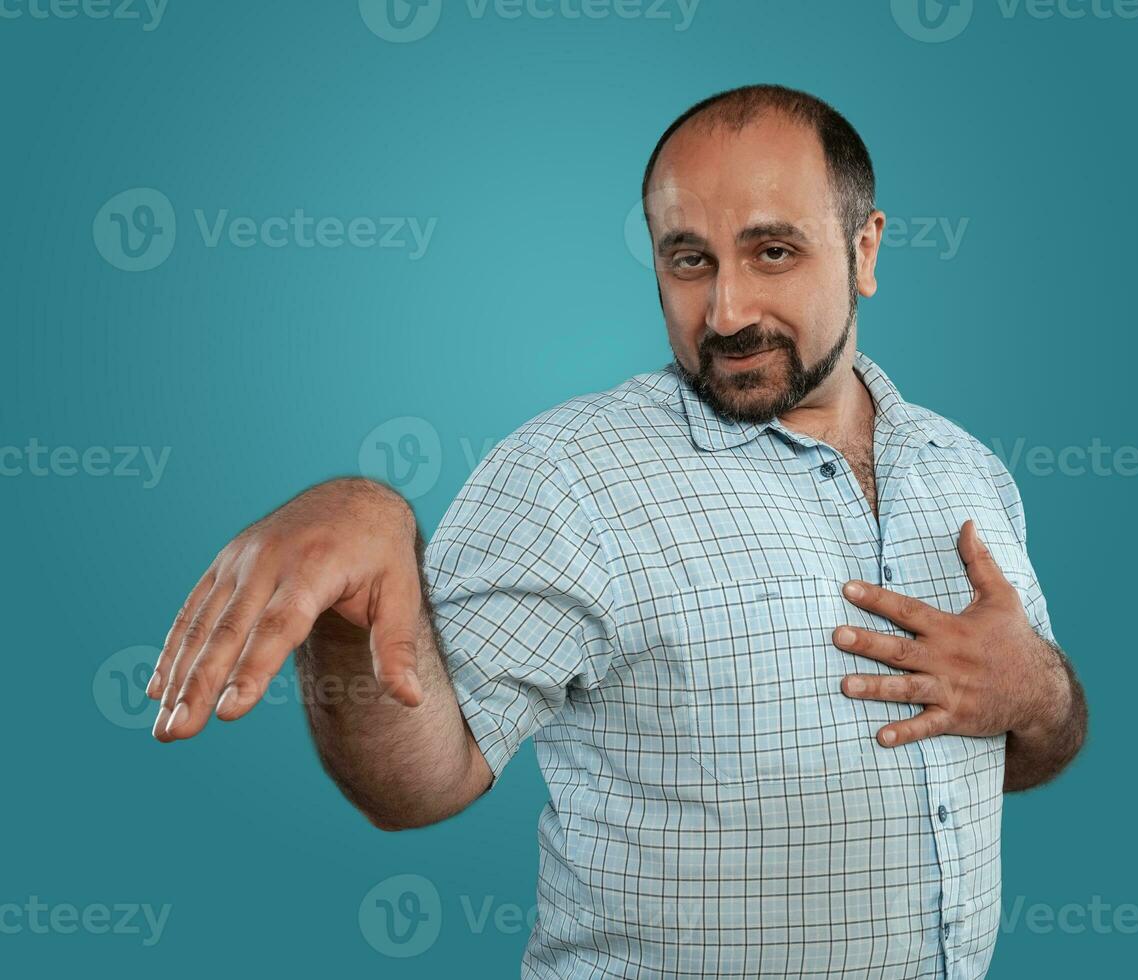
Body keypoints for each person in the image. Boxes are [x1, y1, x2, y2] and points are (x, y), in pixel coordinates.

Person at [145, 83, 1087, 979]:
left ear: (865, 250)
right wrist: (358, 591)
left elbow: (1023, 746)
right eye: (689, 260)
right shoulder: (570, 477)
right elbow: (418, 786)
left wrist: (1038, 690)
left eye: (772, 253)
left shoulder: (968, 470)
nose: (726, 312)